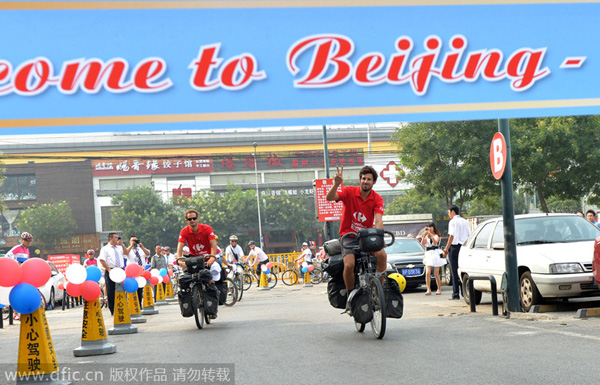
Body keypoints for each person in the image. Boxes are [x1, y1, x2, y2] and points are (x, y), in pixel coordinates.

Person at [325, 165, 387, 301]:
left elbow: (378, 220)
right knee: (349, 264)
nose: (366, 181)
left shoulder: (377, 199)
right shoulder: (349, 192)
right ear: (360, 180)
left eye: (369, 179)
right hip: (348, 236)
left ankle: (379, 290)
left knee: (382, 255)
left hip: (366, 236)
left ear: (374, 182)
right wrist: (336, 184)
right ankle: (350, 295)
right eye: (363, 178)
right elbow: (330, 197)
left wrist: (380, 237)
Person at [442, 205, 471, 300]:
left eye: (449, 213)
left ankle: (455, 294)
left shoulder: (452, 222)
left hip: (454, 248)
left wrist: (446, 249)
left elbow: (451, 236)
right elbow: (469, 235)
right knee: (462, 269)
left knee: (454, 271)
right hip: (463, 247)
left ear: (453, 212)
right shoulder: (465, 221)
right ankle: (464, 292)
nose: (449, 215)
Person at [98, 232, 126, 315]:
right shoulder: (105, 249)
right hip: (111, 270)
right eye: (115, 237)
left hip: (120, 270)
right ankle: (113, 310)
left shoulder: (119, 248)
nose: (117, 239)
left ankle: (121, 307)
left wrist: (122, 245)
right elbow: (102, 260)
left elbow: (127, 253)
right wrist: (109, 269)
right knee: (111, 290)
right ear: (110, 238)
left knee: (121, 289)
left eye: (117, 237)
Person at [422, 222, 446, 296]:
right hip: (428, 253)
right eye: (428, 227)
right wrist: (424, 236)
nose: (429, 229)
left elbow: (435, 243)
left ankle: (439, 289)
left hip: (435, 253)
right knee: (428, 273)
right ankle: (428, 289)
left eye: (430, 227)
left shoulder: (437, 235)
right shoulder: (426, 236)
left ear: (433, 227)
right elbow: (422, 243)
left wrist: (431, 236)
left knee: (436, 273)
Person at [125, 236, 150, 303]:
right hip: (132, 272)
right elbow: (125, 253)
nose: (135, 242)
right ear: (130, 242)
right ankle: (132, 303)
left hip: (140, 271)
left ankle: (139, 303)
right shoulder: (129, 250)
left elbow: (148, 254)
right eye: (133, 240)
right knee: (132, 288)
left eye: (136, 240)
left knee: (140, 288)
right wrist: (131, 246)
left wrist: (142, 246)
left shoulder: (141, 249)